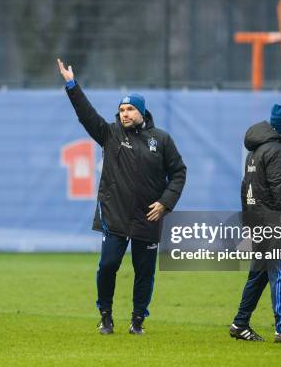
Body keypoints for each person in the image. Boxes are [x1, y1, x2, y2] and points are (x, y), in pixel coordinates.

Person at [57, 58, 186, 335]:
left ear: (141, 112)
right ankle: (105, 316)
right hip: (114, 214)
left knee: (144, 273)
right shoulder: (110, 134)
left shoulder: (161, 140)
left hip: (148, 217)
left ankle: (138, 320)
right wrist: (71, 85)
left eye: (130, 109)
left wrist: (165, 202)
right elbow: (86, 115)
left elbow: (179, 173)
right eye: (121, 109)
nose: (124, 114)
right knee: (108, 266)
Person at [229, 104, 281, 343]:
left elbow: (246, 189)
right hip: (276, 222)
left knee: (260, 274)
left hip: (258, 221)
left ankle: (240, 323)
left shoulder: (254, 152)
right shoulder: (277, 152)